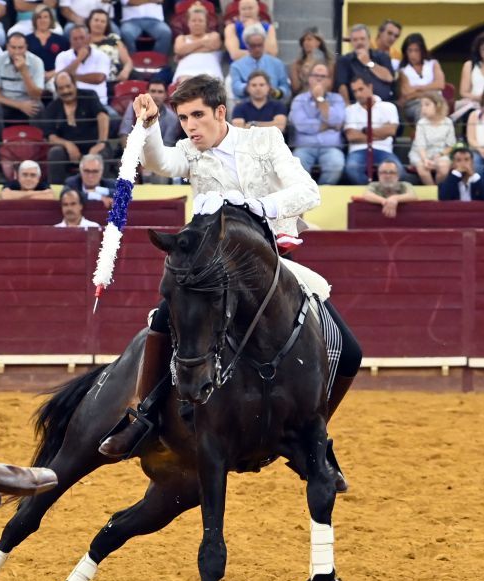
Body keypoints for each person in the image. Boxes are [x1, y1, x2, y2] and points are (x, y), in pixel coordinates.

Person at [98, 75, 362, 480]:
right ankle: (144, 417)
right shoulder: (189, 151)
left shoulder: (265, 141)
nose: (190, 125)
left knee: (349, 351)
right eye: (183, 117)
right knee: (165, 318)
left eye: (198, 115)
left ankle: (316, 439)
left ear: (221, 112)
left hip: (268, 268)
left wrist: (255, 206)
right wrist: (149, 125)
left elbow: (308, 192)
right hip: (211, 273)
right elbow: (158, 162)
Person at [41, 71, 111, 184]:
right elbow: (51, 136)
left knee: (101, 154)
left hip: (94, 145)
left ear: (75, 85)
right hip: (69, 151)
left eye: (68, 86)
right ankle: (57, 189)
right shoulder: (52, 107)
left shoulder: (89, 95)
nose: (66, 91)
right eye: (61, 88)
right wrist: (67, 144)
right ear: (57, 90)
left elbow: (102, 116)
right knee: (55, 152)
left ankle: (103, 190)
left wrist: (101, 142)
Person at [289, 64, 346, 186]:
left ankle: (323, 192)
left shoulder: (337, 99)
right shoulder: (299, 99)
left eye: (323, 76)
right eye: (315, 75)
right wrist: (326, 125)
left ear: (329, 81)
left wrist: (320, 99)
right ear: (309, 78)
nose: (319, 79)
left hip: (331, 147)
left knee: (336, 164)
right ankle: (307, 193)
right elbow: (301, 125)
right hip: (304, 147)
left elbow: (336, 121)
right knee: (297, 166)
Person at [0, 32, 45, 141]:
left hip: (28, 102)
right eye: (13, 48)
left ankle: (36, 143)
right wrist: (20, 105)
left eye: (20, 48)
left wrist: (24, 71)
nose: (17, 52)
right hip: (5, 102)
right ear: (7, 47)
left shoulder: (37, 62)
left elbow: (36, 95)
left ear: (26, 47)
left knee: (38, 107)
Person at [343, 74, 401, 185]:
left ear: (370, 87)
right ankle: (372, 190)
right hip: (358, 150)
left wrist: (364, 131)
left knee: (398, 170)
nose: (358, 94)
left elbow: (391, 131)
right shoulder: (350, 110)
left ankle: (380, 191)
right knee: (352, 169)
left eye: (361, 89)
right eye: (354, 91)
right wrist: (381, 134)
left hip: (383, 149)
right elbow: (351, 136)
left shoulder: (388, 107)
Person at [334, 23, 395, 104]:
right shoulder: (344, 60)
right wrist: (347, 106)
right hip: (357, 105)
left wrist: (369, 63)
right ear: (351, 42)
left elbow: (389, 78)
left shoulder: (382, 56)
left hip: (384, 104)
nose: (359, 42)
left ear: (369, 40)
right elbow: (342, 86)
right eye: (355, 40)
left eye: (362, 39)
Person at [229, 25, 290, 104]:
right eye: (253, 46)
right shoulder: (236, 66)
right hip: (246, 105)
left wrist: (275, 92)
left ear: (264, 43)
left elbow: (285, 87)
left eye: (260, 45)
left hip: (272, 104)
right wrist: (249, 88)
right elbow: (235, 87)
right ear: (246, 45)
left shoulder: (277, 64)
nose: (257, 49)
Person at [53, 25, 111, 107]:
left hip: (98, 103)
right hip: (70, 103)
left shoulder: (102, 56)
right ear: (70, 41)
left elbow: (99, 78)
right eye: (75, 39)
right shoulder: (62, 56)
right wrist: (78, 59)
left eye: (82, 38)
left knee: (114, 116)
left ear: (89, 38)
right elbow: (59, 79)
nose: (79, 42)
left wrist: (71, 78)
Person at [396, 33, 444, 125]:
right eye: (410, 51)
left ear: (422, 51)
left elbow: (440, 84)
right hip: (414, 104)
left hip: (437, 101)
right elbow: (407, 94)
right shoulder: (403, 70)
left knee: (437, 109)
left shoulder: (433, 64)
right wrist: (431, 89)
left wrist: (417, 88)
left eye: (416, 50)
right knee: (424, 111)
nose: (413, 54)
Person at [409, 93, 455, 186]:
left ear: (438, 105)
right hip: (420, 154)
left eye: (427, 104)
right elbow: (420, 146)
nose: (423, 108)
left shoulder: (448, 122)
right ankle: (433, 193)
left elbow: (451, 145)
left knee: (443, 168)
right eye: (422, 105)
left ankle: (439, 191)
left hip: (440, 153)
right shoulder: (421, 123)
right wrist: (425, 159)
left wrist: (439, 155)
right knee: (423, 169)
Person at [171, 5, 223, 84]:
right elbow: (179, 50)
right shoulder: (181, 38)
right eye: (193, 20)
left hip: (210, 72)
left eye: (200, 20)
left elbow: (214, 45)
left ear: (206, 23)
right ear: (188, 23)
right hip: (185, 73)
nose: (197, 23)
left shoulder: (214, 35)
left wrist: (186, 51)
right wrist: (203, 42)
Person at [86, 9, 132, 85]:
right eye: (96, 20)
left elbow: (128, 62)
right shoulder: (82, 41)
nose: (99, 24)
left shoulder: (114, 39)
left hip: (114, 79)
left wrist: (125, 72)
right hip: (90, 79)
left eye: (102, 21)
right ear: (89, 22)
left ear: (107, 25)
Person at [23, 8, 68, 84]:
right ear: (35, 20)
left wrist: (53, 73)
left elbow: (67, 61)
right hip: (32, 77)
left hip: (56, 77)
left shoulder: (61, 40)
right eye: (39, 17)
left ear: (51, 20)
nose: (42, 20)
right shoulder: (26, 40)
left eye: (45, 17)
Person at [288, 28, 334, 97]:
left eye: (309, 39)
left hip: (324, 97)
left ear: (318, 42)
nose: (305, 42)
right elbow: (295, 88)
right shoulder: (296, 64)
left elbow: (330, 87)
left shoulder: (329, 63)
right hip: (302, 98)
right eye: (304, 40)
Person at [456, 32, 484, 121]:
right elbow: (464, 92)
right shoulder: (469, 65)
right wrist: (480, 99)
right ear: (479, 51)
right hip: (474, 104)